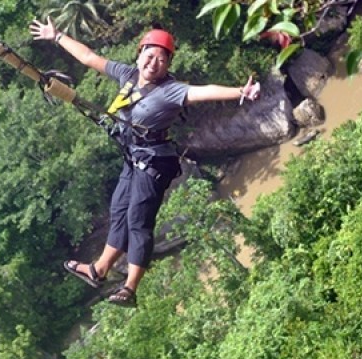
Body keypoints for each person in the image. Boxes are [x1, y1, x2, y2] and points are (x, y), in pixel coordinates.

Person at [29, 17, 261, 307]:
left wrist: (240, 92)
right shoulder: (127, 75)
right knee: (119, 212)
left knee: (138, 223)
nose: (154, 63)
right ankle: (98, 269)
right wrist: (57, 36)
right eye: (149, 56)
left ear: (168, 65)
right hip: (133, 157)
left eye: (162, 60)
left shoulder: (171, 90)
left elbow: (202, 91)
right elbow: (89, 58)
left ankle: (130, 287)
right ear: (139, 55)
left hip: (154, 163)